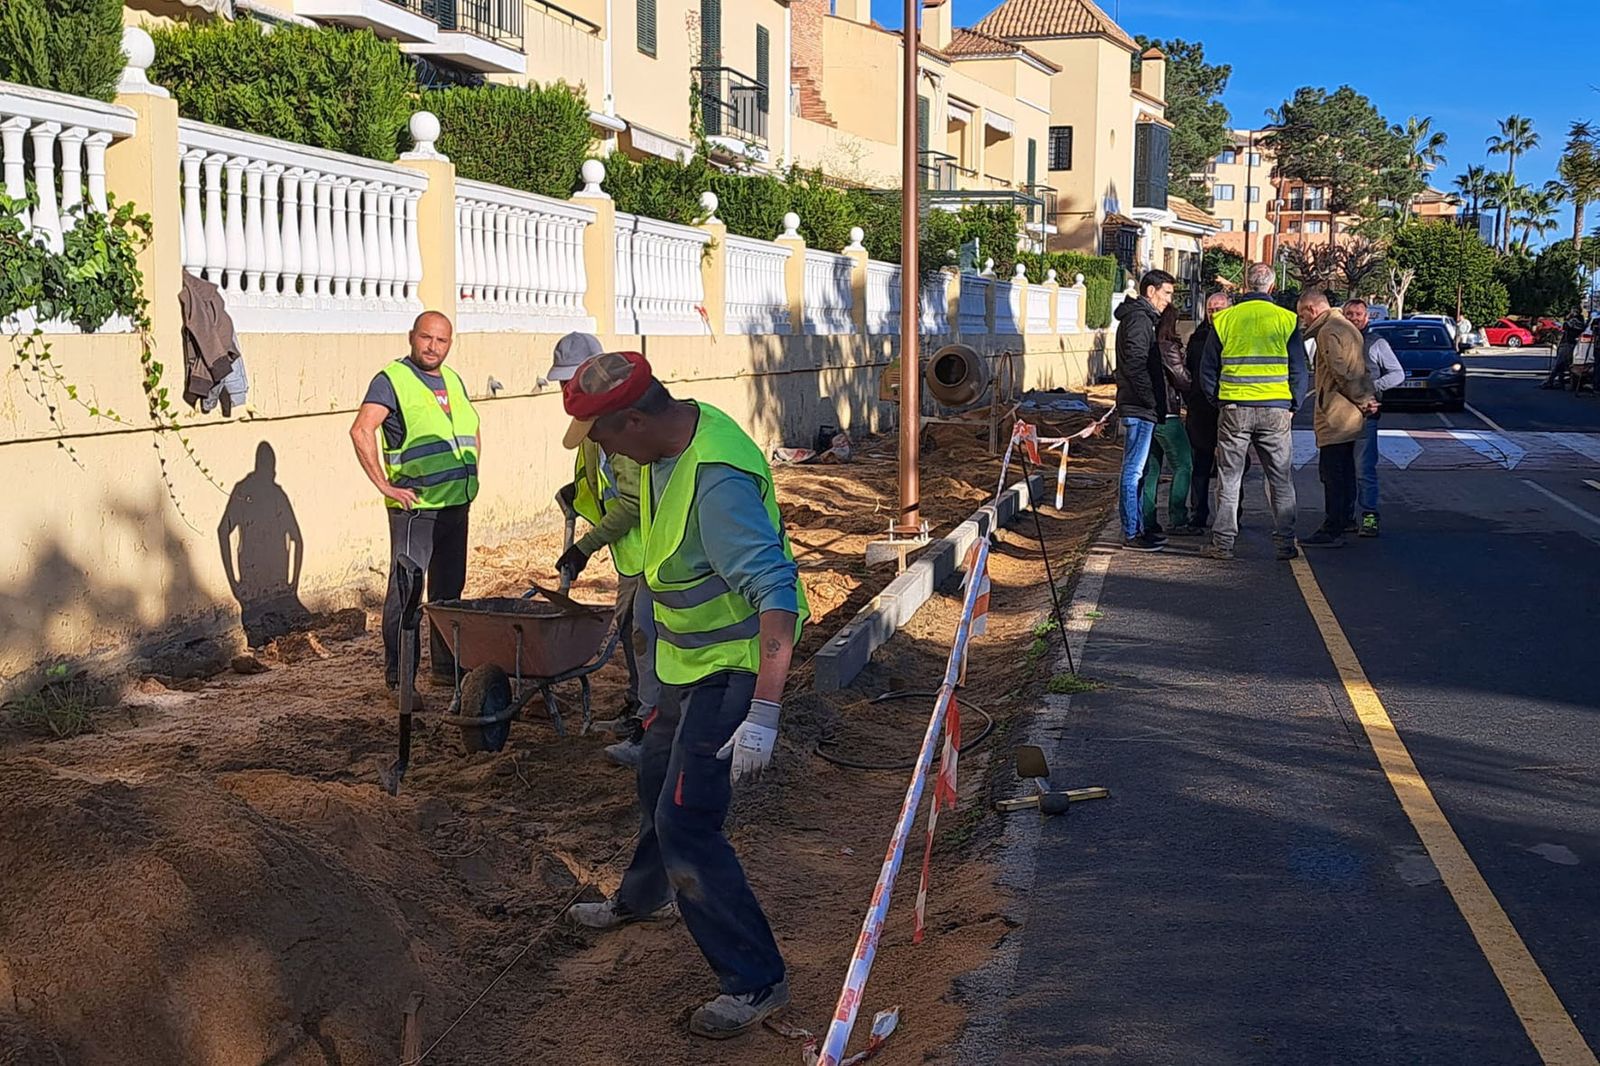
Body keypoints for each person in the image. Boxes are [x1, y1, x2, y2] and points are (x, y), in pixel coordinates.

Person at [560, 351, 807, 1039]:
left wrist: (764, 711)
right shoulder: (669, 442)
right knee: (652, 775)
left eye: (603, 435)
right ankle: (643, 897)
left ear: (635, 420)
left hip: (736, 671)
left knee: (687, 823)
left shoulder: (716, 480)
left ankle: (756, 980)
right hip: (688, 665)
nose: (602, 450)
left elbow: (776, 593)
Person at [349, 311, 479, 694]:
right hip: (416, 510)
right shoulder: (393, 380)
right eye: (426, 338)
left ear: (449, 344)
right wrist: (385, 486)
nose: (432, 347)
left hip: (456, 505)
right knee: (407, 595)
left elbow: (470, 429)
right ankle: (400, 681)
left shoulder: (452, 379)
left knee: (449, 595)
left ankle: (444, 670)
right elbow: (361, 430)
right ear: (412, 337)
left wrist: (471, 475)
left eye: (441, 341)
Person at [545, 332, 657, 770]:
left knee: (648, 641)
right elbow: (606, 483)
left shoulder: (619, 424)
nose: (565, 393)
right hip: (633, 555)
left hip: (653, 553)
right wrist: (578, 491)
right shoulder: (596, 428)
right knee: (633, 633)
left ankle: (650, 728)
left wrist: (583, 548)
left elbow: (631, 501)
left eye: (570, 382)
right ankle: (637, 709)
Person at [1198, 263, 1308, 561]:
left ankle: (1223, 544)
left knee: (1230, 477)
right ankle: (1285, 543)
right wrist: (1293, 405)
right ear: (1271, 287)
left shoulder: (1225, 319)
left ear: (1245, 285)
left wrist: (1218, 401)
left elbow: (1207, 369)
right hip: (1276, 409)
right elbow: (1299, 369)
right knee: (1280, 478)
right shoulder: (1287, 320)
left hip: (1234, 408)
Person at [1297, 291, 1378, 548]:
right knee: (1344, 470)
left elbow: (1341, 371)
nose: (1303, 321)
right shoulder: (1346, 326)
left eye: (1303, 315)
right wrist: (1366, 399)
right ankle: (1345, 519)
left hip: (1336, 412)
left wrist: (1363, 399)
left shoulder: (1328, 331)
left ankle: (1332, 527)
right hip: (1349, 413)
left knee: (1332, 472)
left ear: (1312, 309)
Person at [1113, 269, 1176, 552]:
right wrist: (1151, 400)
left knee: (1140, 470)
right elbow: (1136, 364)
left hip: (1140, 406)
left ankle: (1137, 527)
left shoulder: (1142, 319)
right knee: (1134, 470)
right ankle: (1131, 532)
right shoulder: (1139, 320)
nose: (1168, 300)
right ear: (1151, 291)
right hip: (1138, 407)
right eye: (1166, 293)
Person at [1342, 299, 1405, 537]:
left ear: (1367, 318)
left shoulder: (1376, 343)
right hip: (1338, 417)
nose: (1354, 318)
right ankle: (1344, 517)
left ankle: (1369, 515)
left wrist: (1373, 388)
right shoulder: (1336, 341)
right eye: (1349, 313)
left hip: (1366, 416)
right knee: (1340, 470)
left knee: (1363, 469)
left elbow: (1397, 374)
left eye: (1358, 314)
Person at [1140, 303, 1198, 536]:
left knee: (1152, 468)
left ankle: (1148, 517)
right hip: (1169, 413)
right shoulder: (1168, 346)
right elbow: (1181, 379)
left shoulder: (1147, 343)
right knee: (1184, 465)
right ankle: (1178, 517)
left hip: (1150, 412)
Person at [1184, 292, 1232, 530]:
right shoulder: (1198, 338)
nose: (1215, 314)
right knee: (1201, 465)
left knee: (1231, 466)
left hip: (1230, 407)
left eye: (1220, 309)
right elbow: (1188, 372)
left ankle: (1232, 515)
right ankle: (1198, 513)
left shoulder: (1236, 335)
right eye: (1211, 310)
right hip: (1201, 409)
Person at [1542, 310, 1585, 390]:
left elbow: (1565, 326)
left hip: (1568, 343)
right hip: (1569, 343)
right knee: (1563, 364)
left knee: (1560, 363)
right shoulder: (1580, 321)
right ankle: (1560, 382)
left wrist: (1566, 320)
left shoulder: (1574, 321)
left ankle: (1550, 381)